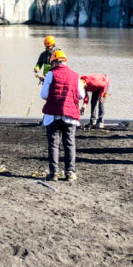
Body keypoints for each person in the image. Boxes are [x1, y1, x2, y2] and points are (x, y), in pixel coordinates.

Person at [41, 50, 87, 181]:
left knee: (54, 144)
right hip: (70, 115)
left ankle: (54, 173)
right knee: (70, 144)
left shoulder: (50, 74)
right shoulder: (75, 75)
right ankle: (70, 173)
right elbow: (81, 95)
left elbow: (43, 95)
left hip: (53, 115)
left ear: (54, 62)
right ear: (65, 61)